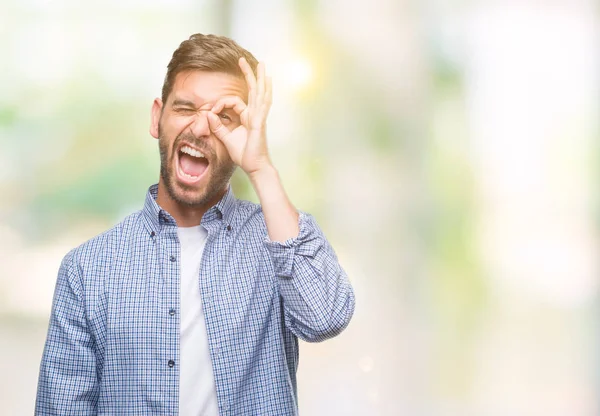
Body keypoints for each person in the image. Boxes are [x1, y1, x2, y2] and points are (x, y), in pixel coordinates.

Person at [35, 33, 355, 415]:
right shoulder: (87, 270)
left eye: (225, 117)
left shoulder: (277, 240)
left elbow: (324, 319)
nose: (202, 129)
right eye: (186, 108)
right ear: (157, 117)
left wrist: (261, 168)